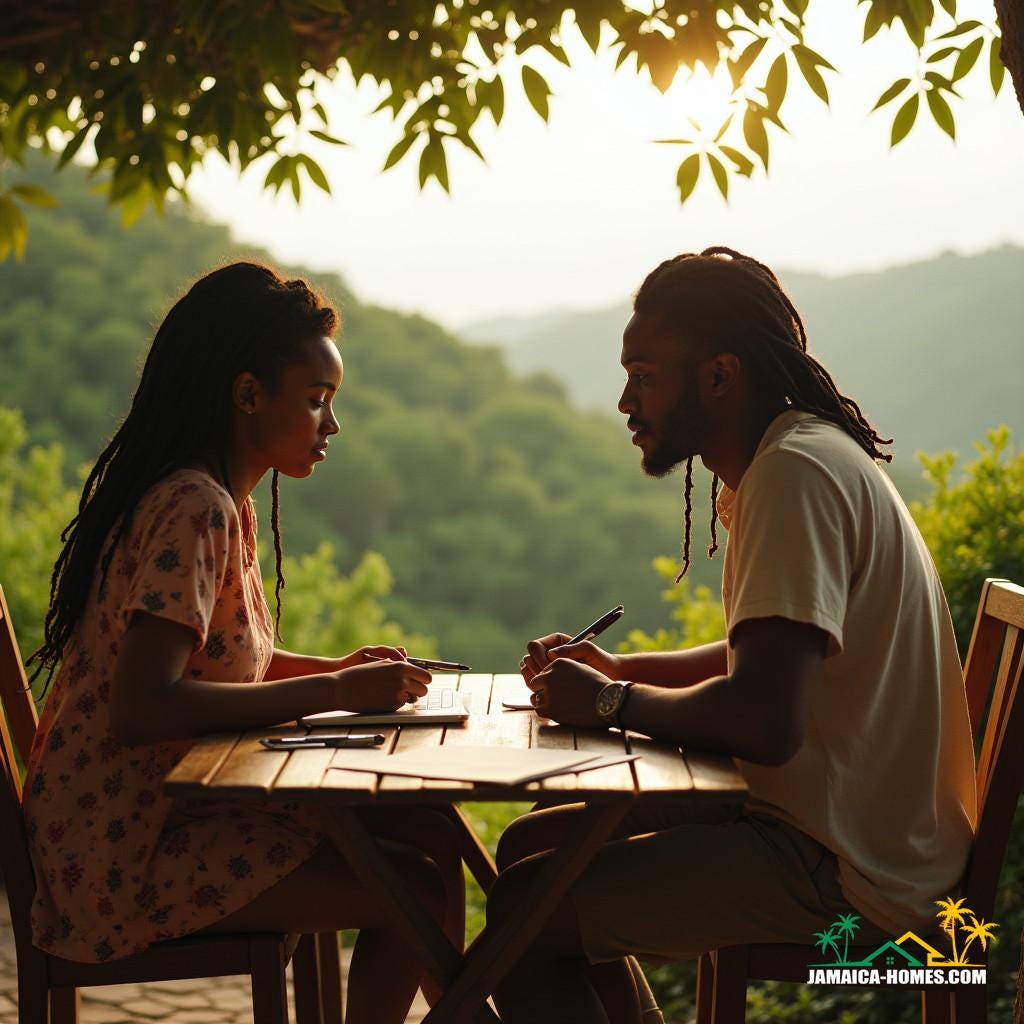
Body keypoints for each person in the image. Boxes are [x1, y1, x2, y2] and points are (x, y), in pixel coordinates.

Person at [488, 247, 977, 1024]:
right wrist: (622, 667)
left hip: (851, 871)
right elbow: (773, 661)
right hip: (845, 827)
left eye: (644, 375)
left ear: (718, 376)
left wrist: (611, 699)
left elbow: (763, 720)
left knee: (521, 916)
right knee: (527, 856)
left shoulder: (795, 476)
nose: (624, 400)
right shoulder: (790, 460)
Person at [21, 262, 463, 1024]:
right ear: (248, 394)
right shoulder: (196, 507)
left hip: (155, 814)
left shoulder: (217, 500)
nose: (332, 425)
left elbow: (225, 663)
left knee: (421, 827)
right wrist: (332, 694)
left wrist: (341, 671)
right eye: (318, 401)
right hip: (119, 852)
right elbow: (141, 706)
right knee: (414, 889)